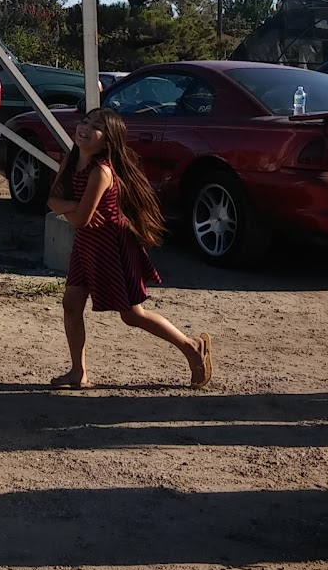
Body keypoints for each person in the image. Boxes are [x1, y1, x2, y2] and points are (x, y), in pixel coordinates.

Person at [47, 107, 212, 390]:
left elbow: (81, 219)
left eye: (96, 126)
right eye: (85, 121)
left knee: (132, 314)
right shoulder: (71, 160)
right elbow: (52, 200)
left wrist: (69, 209)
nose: (86, 128)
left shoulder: (101, 172)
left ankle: (190, 346)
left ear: (108, 142)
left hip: (111, 246)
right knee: (71, 304)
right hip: (87, 244)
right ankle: (78, 372)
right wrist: (71, 206)